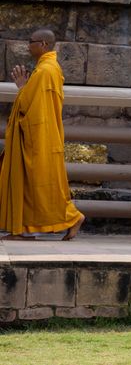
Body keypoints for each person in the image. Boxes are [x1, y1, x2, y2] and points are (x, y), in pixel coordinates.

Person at [0, 29, 85, 240]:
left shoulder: (45, 71)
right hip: (42, 136)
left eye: (31, 42)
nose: (28, 45)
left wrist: (21, 87)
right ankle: (23, 229)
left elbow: (28, 107)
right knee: (32, 185)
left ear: (44, 44)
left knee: (39, 185)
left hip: (38, 137)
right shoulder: (47, 69)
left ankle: (72, 217)